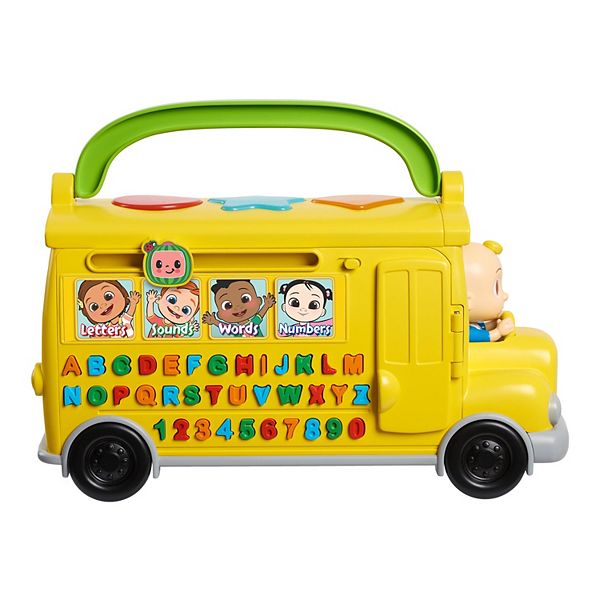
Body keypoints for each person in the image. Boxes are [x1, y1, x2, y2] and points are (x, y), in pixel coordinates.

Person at [463, 241, 514, 342]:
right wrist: (499, 332)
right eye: (496, 288)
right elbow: (488, 336)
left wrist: (495, 323)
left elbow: (483, 327)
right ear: (467, 301)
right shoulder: (465, 332)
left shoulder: (474, 323)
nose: (505, 296)